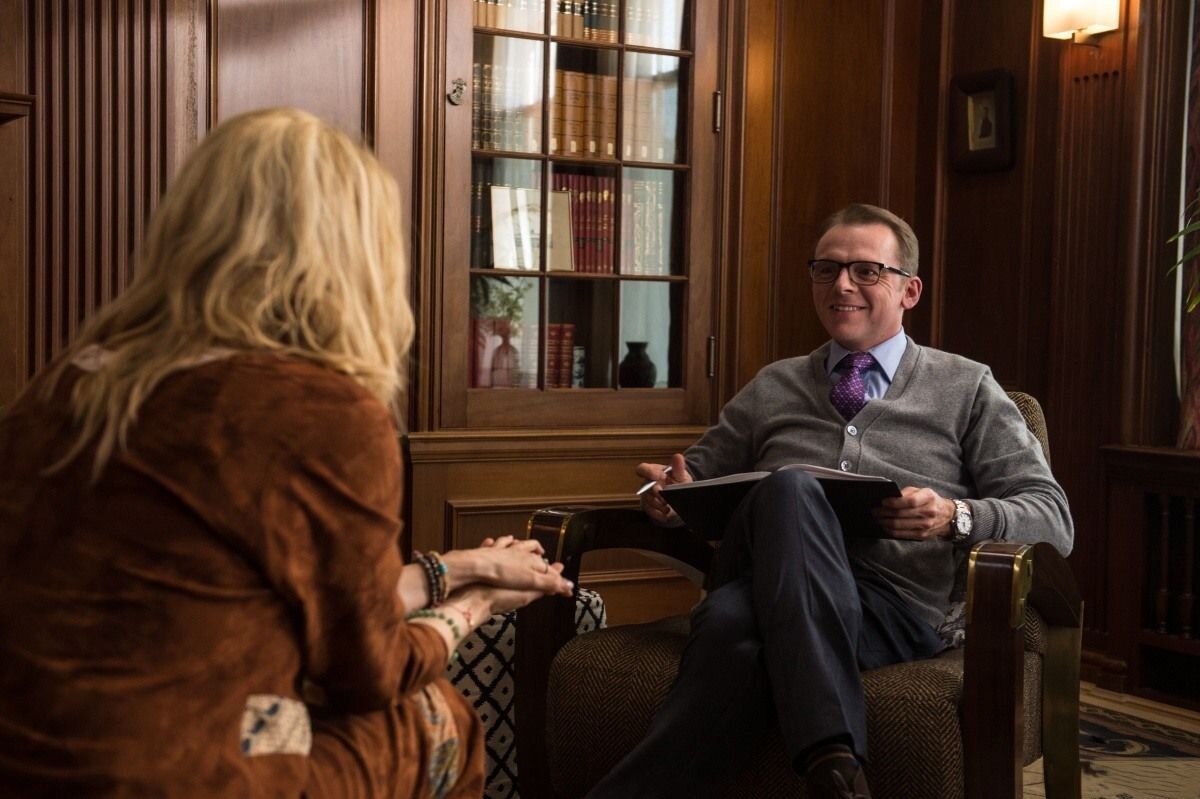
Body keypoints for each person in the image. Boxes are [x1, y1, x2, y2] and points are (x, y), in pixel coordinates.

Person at [0, 107, 573, 797]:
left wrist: (456, 566)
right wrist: (477, 603)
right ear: (355, 256)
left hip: (29, 759)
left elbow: (281, 593)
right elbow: (369, 672)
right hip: (179, 772)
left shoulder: (69, 381)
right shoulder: (317, 409)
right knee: (431, 712)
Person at [589, 203, 1073, 799]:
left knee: (731, 626)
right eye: (827, 269)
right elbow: (695, 477)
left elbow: (1053, 518)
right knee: (790, 488)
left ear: (909, 291)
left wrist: (956, 516)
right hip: (764, 576)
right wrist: (666, 495)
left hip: (890, 609)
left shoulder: (967, 386)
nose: (842, 284)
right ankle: (834, 758)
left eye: (866, 271)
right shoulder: (774, 385)